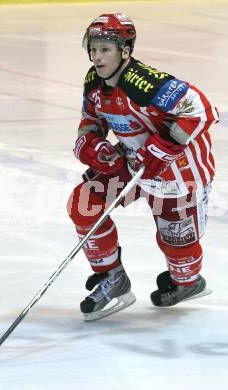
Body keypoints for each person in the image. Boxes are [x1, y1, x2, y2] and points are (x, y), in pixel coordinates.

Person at [67, 13, 219, 321]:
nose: (96, 56)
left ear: (125, 51)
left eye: (105, 49)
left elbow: (203, 110)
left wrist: (164, 147)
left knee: (177, 244)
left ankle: (187, 282)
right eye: (93, 48)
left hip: (178, 170)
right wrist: (94, 146)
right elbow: (91, 122)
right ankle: (113, 278)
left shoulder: (146, 83)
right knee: (85, 204)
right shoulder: (92, 81)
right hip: (134, 162)